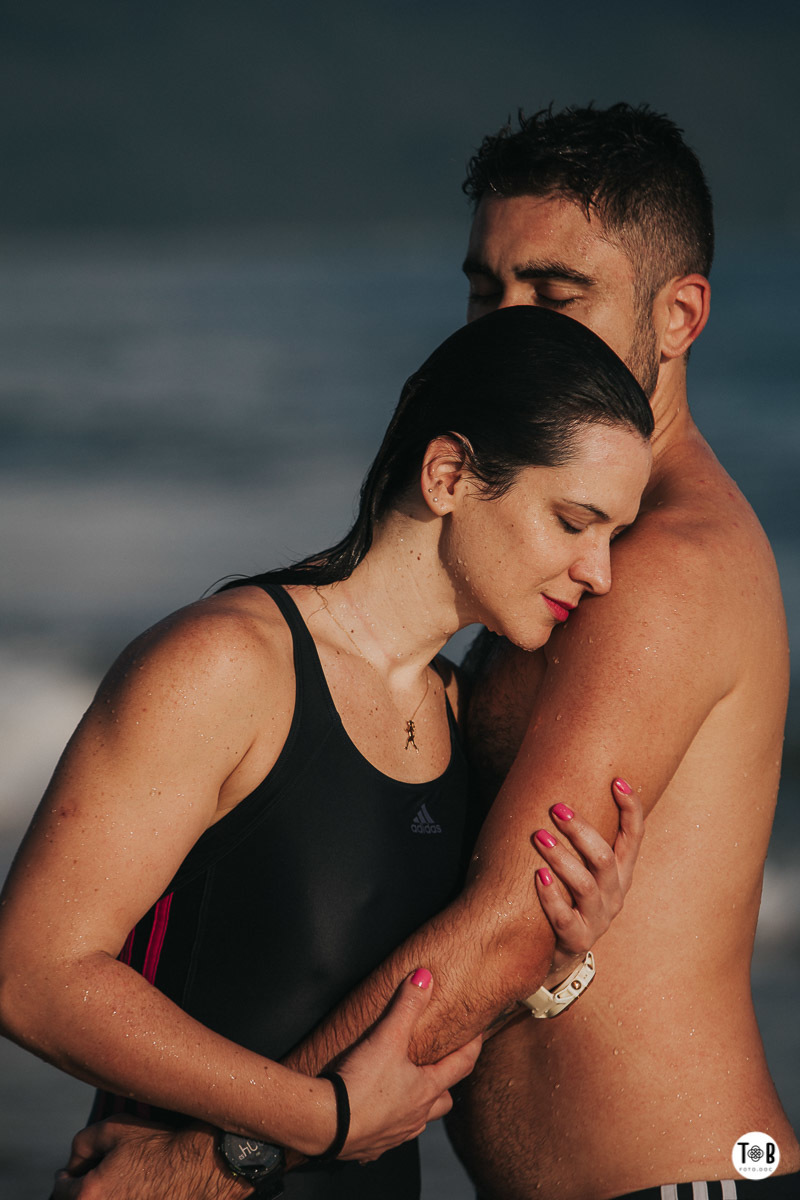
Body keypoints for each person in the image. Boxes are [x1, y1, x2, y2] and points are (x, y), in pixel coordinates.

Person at [40, 102, 799, 1199]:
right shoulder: (516, 564)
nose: (501, 324)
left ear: (677, 313)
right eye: (484, 289)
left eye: (554, 290)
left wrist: (217, 1162)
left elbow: (496, 933)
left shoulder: (656, 564)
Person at [0, 305, 654, 1199]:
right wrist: (320, 1119)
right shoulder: (227, 665)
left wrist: (555, 965)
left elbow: (396, 1046)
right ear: (450, 474)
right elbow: (30, 974)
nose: (601, 571)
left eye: (614, 534)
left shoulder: (462, 715)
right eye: (575, 521)